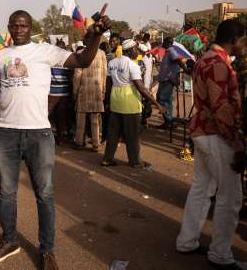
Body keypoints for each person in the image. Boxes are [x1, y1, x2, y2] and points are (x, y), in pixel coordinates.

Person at [0, 9, 112, 270]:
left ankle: (47, 251)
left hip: (39, 133)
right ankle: (10, 240)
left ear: (30, 27)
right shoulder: (0, 57)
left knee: (45, 195)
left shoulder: (45, 51)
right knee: (6, 192)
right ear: (8, 28)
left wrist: (96, 36)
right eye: (14, 25)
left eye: (23, 25)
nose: (19, 29)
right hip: (5, 133)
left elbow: (82, 60)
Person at [176, 20, 247, 269]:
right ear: (235, 40)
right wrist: (237, 143)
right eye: (244, 42)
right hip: (217, 134)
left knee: (202, 188)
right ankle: (220, 255)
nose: (244, 47)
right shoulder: (218, 63)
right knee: (230, 197)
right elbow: (221, 107)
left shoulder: (205, 59)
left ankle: (187, 241)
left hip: (201, 132)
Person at [101, 39, 164, 168]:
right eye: (136, 49)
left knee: (113, 133)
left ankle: (107, 158)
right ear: (130, 51)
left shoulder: (112, 62)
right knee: (133, 134)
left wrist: (107, 102)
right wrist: (156, 103)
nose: (138, 52)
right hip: (129, 102)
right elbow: (141, 88)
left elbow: (108, 84)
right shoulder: (132, 65)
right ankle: (135, 161)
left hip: (115, 100)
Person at [72, 32, 107, 152]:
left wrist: (75, 91)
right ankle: (96, 144)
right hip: (97, 89)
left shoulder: (80, 54)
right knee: (95, 119)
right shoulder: (102, 53)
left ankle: (79, 142)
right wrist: (103, 90)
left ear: (86, 41)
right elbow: (104, 73)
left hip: (83, 89)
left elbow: (77, 75)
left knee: (80, 118)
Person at [156, 37, 188, 130]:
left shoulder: (171, 51)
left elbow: (177, 60)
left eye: (164, 43)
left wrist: (185, 69)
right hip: (166, 80)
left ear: (168, 43)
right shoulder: (168, 52)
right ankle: (168, 122)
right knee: (166, 101)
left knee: (162, 99)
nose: (163, 44)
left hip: (168, 80)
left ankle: (169, 121)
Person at [138, 43, 154, 126]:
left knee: (145, 104)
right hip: (141, 86)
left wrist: (150, 86)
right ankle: (142, 120)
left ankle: (144, 120)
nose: (145, 53)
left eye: (146, 52)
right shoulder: (139, 59)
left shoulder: (149, 58)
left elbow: (149, 73)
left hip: (146, 85)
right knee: (142, 104)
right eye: (143, 52)